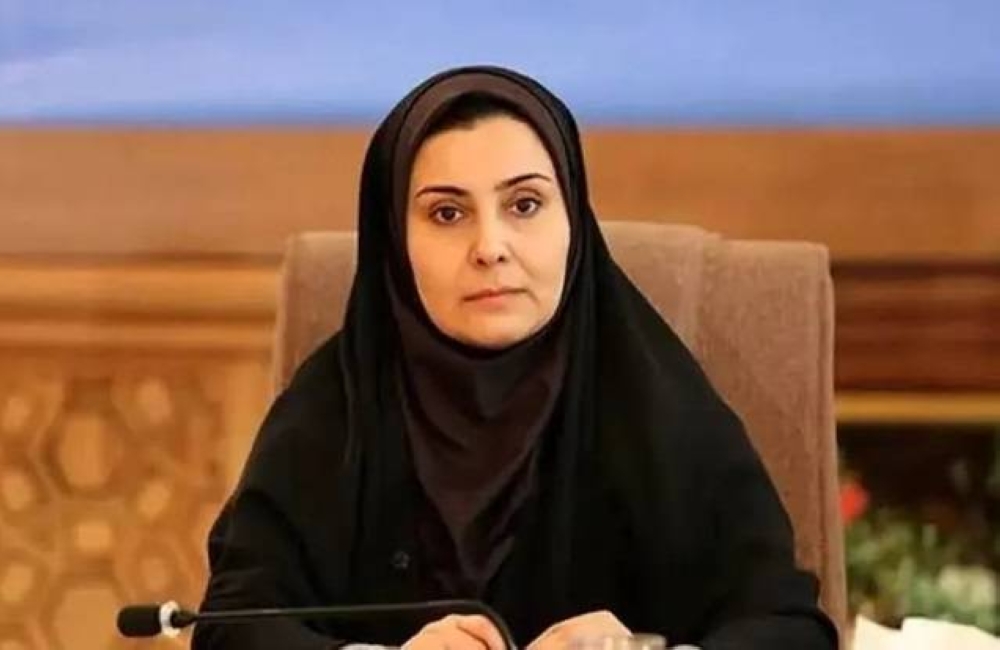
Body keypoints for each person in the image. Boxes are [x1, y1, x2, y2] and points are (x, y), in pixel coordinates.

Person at [192, 66, 838, 650]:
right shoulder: (337, 406)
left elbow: (788, 629)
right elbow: (231, 629)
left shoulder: (658, 404)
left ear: (573, 222)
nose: (490, 246)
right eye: (447, 213)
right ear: (395, 239)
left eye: (524, 205)